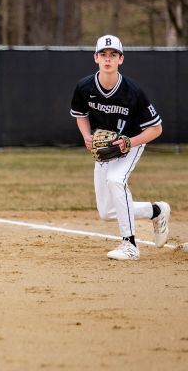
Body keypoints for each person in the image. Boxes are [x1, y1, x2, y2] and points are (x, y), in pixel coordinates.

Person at [70, 34, 170, 260]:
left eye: (113, 55)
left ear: (120, 60)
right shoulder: (84, 87)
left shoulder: (133, 91)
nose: (108, 59)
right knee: (107, 212)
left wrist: (129, 142)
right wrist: (86, 136)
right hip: (104, 149)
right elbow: (80, 115)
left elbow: (156, 129)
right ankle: (157, 211)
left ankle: (130, 245)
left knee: (116, 180)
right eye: (103, 55)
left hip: (132, 143)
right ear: (95, 58)